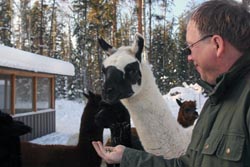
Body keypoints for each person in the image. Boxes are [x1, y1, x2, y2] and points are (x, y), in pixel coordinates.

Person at [92, 0, 250, 166]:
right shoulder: (216, 103)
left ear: (217, 44)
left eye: (190, 47)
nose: (189, 57)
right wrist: (127, 157)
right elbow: (187, 164)